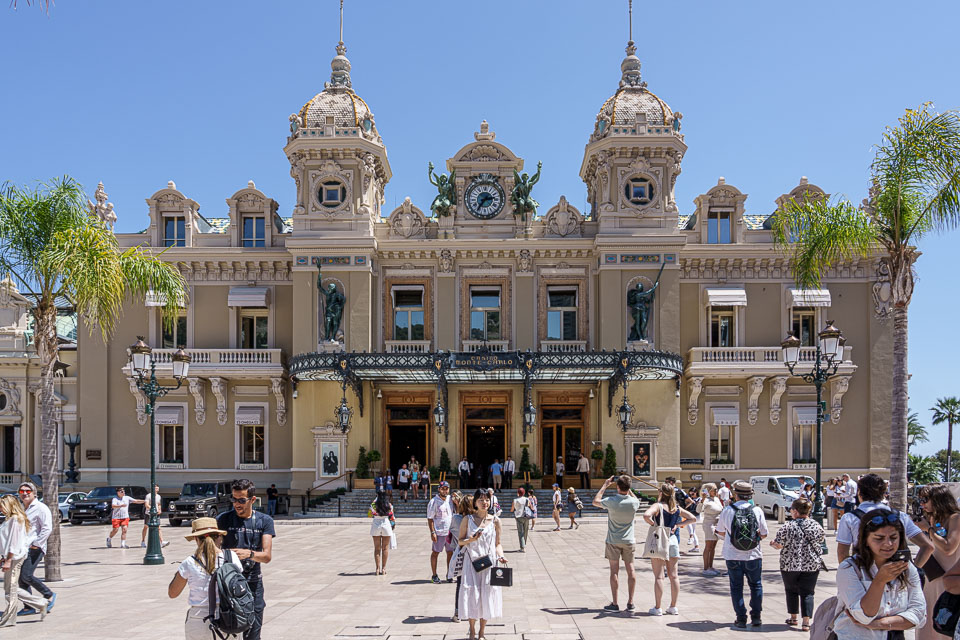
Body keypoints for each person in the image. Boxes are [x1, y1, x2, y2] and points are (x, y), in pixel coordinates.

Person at [834, 510, 925, 639]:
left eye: (893, 538)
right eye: (879, 538)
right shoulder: (850, 568)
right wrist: (879, 581)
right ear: (865, 540)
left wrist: (879, 624)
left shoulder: (906, 567)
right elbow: (863, 616)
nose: (888, 544)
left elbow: (919, 614)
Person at [217, 479, 275, 640]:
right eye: (234, 499)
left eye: (241, 500)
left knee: (253, 634)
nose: (237, 504)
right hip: (228, 584)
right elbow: (214, 549)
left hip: (253, 583)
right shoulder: (223, 519)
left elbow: (267, 556)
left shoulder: (265, 521)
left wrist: (249, 554)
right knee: (226, 632)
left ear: (252, 499)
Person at [167, 517, 242, 639]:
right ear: (219, 537)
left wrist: (179, 573)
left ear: (196, 539)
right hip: (229, 618)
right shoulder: (232, 557)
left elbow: (173, 593)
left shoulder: (189, 562)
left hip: (199, 620)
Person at [836, 473, 933, 568]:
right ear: (883, 493)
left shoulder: (849, 518)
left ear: (859, 492)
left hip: (864, 574)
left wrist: (850, 574)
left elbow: (842, 553)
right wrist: (913, 570)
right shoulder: (900, 516)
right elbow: (928, 546)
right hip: (896, 574)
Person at [715, 480, 768, 629]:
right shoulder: (757, 510)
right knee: (756, 585)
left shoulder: (727, 510)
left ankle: (741, 618)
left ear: (735, 494)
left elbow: (720, 532)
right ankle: (756, 617)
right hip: (753, 555)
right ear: (750, 495)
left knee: (736, 587)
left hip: (732, 554)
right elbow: (764, 534)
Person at [457, 489, 506, 640]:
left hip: (489, 563)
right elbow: (460, 541)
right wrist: (472, 539)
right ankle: (472, 631)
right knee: (472, 596)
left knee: (487, 596)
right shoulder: (467, 519)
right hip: (472, 563)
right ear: (475, 503)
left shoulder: (496, 520)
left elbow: (498, 544)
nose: (485, 502)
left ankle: (482, 632)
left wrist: (501, 556)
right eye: (481, 500)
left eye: (487, 500)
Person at [913, 484, 960, 640]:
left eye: (925, 500)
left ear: (938, 499)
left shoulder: (955, 518)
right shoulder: (932, 519)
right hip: (931, 576)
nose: (922, 504)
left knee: (943, 620)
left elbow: (948, 548)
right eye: (920, 500)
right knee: (927, 621)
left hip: (948, 577)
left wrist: (928, 529)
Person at [770, 498, 824, 632]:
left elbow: (779, 544)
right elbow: (821, 539)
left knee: (791, 590)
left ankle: (793, 617)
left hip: (790, 564)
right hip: (811, 564)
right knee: (808, 592)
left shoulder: (787, 526)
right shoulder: (816, 525)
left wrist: (773, 544)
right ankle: (806, 622)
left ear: (795, 511)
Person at [643, 484, 697, 616]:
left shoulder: (658, 506)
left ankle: (658, 607)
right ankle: (673, 606)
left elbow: (646, 515)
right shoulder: (676, 507)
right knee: (674, 576)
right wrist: (678, 525)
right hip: (673, 541)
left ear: (661, 493)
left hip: (660, 541)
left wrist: (655, 525)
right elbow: (693, 518)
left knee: (659, 576)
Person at [593, 475, 640, 612]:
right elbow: (635, 499)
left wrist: (605, 485)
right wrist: (628, 489)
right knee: (631, 569)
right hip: (629, 540)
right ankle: (630, 602)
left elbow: (595, 501)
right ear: (629, 487)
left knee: (614, 571)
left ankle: (615, 603)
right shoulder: (634, 502)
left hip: (613, 540)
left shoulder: (611, 501)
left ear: (617, 487)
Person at [0, 496, 48, 627]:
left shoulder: (16, 520)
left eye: (2, 505)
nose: (0, 508)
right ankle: (40, 603)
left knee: (10, 590)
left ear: (9, 505)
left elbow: (14, 542)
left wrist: (8, 559)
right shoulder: (11, 519)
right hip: (11, 557)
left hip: (14, 558)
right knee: (10, 588)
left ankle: (9, 619)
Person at [16, 482, 54, 617]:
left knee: (26, 575)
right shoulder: (22, 508)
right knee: (21, 579)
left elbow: (47, 528)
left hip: (35, 549)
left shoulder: (41, 508)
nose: (25, 493)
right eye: (22, 491)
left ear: (34, 493)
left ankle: (48, 594)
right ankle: (29, 607)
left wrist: (37, 544)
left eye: (28, 491)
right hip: (23, 548)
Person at [428, 481, 455, 584]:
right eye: (443, 489)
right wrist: (432, 532)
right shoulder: (434, 501)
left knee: (450, 553)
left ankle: (449, 574)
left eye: (446, 489)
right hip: (439, 532)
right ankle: (434, 575)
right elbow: (430, 518)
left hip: (450, 532)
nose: (445, 491)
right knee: (435, 552)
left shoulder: (450, 499)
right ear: (439, 489)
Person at [448, 492, 468, 623]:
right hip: (469, 554)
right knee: (465, 583)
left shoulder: (457, 519)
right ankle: (463, 611)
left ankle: (459, 612)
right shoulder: (473, 520)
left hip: (463, 554)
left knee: (461, 583)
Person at [699, 483, 724, 576]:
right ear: (709, 491)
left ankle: (711, 566)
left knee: (713, 546)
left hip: (717, 523)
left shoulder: (716, 499)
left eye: (717, 489)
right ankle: (706, 568)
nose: (717, 491)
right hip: (709, 524)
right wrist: (702, 499)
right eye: (714, 489)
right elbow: (698, 510)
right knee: (708, 546)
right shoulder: (705, 500)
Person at [370, 491, 395, 575]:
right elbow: (392, 516)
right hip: (386, 524)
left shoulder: (373, 505)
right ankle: (384, 568)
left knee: (377, 548)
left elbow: (370, 514)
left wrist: (375, 499)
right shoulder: (389, 505)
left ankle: (377, 568)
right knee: (385, 548)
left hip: (376, 524)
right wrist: (393, 525)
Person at [140, 484, 170, 549]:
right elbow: (146, 505)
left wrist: (159, 509)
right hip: (149, 514)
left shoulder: (158, 496)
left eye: (157, 488)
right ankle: (143, 541)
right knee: (146, 527)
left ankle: (161, 542)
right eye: (155, 488)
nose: (157, 489)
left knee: (158, 527)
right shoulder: (148, 496)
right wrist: (153, 509)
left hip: (156, 514)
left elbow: (159, 504)